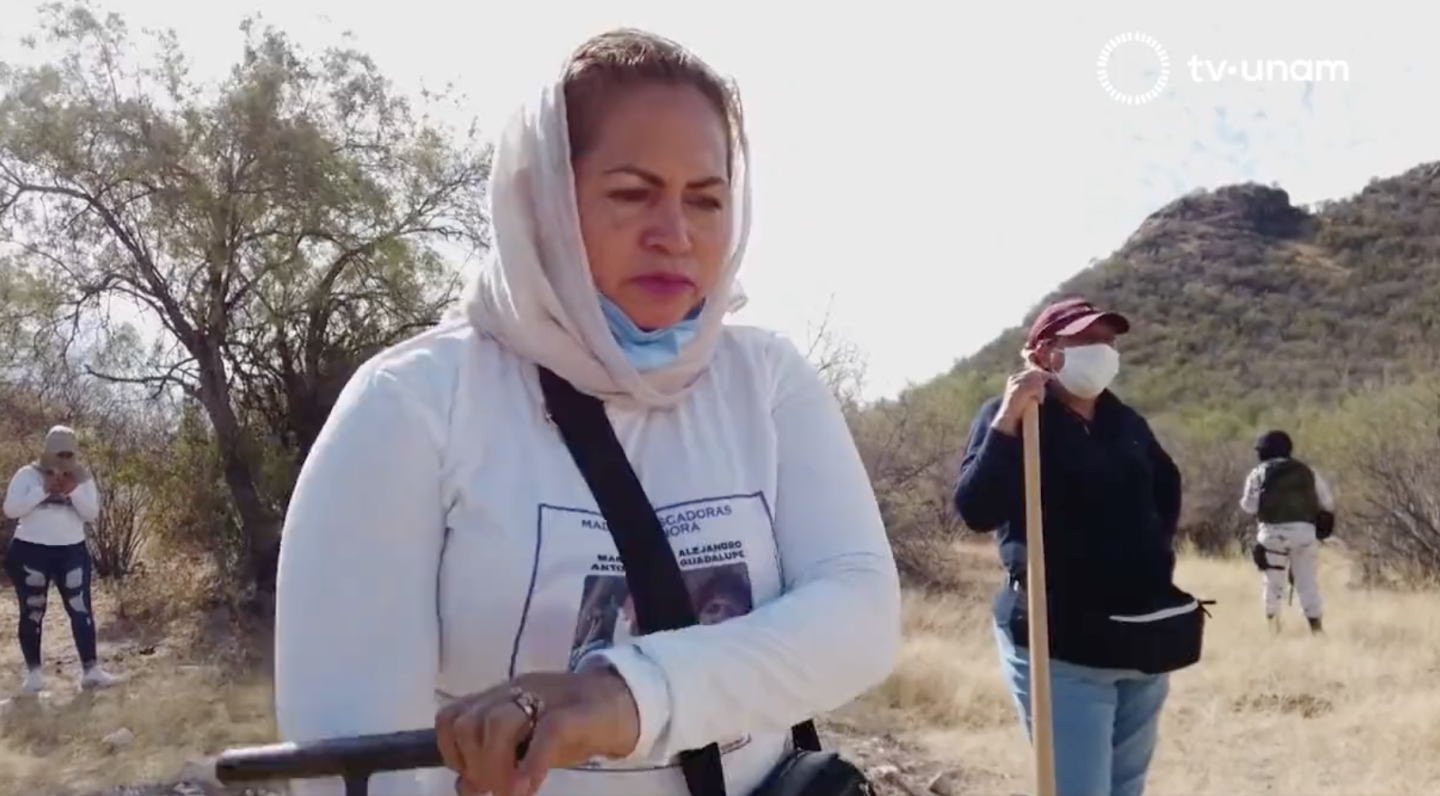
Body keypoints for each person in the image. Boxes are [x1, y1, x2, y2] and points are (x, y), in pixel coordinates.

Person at [273, 28, 901, 796]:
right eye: (633, 192)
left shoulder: (765, 381)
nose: (675, 234)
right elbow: (352, 754)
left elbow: (859, 612)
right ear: (546, 200)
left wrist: (627, 695)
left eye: (705, 199)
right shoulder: (416, 404)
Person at [953, 297, 1202, 796]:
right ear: (1045, 353)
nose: (1103, 351)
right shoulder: (1018, 419)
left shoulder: (1125, 423)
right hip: (1060, 642)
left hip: (1138, 639)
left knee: (1124, 788)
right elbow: (976, 509)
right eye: (1086, 341)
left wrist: (1143, 561)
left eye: (1108, 341)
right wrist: (1009, 416)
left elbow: (1165, 490)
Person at [3, 426, 120, 693]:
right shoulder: (27, 475)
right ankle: (33, 674)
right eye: (58, 455)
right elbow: (11, 509)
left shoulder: (83, 479)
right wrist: (43, 490)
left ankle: (91, 670)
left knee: (81, 610)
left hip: (70, 551)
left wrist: (72, 491)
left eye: (68, 455)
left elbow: (91, 514)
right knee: (32, 611)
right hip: (30, 551)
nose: (62, 461)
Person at [1240, 429, 1335, 634]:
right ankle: (1316, 628)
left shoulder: (1258, 473)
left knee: (1273, 583)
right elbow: (1326, 502)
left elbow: (1249, 506)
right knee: (1306, 581)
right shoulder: (1307, 471)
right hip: (1304, 533)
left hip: (1271, 534)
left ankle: (1273, 627)